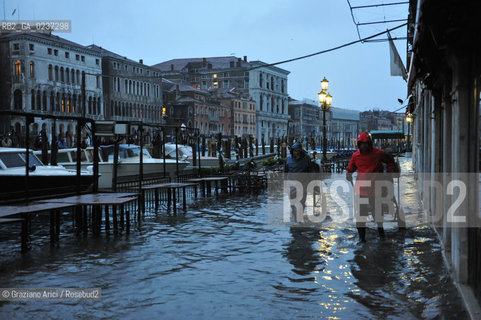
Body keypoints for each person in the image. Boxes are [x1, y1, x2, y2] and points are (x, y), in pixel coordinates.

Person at [346, 132, 394, 242]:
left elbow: (390, 161)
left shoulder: (378, 153)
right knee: (361, 214)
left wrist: (389, 173)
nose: (364, 146)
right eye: (362, 144)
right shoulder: (355, 156)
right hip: (362, 189)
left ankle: (381, 232)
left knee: (377, 212)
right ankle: (362, 238)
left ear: (369, 143)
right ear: (359, 144)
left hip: (376, 189)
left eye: (366, 143)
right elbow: (351, 167)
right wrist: (348, 173)